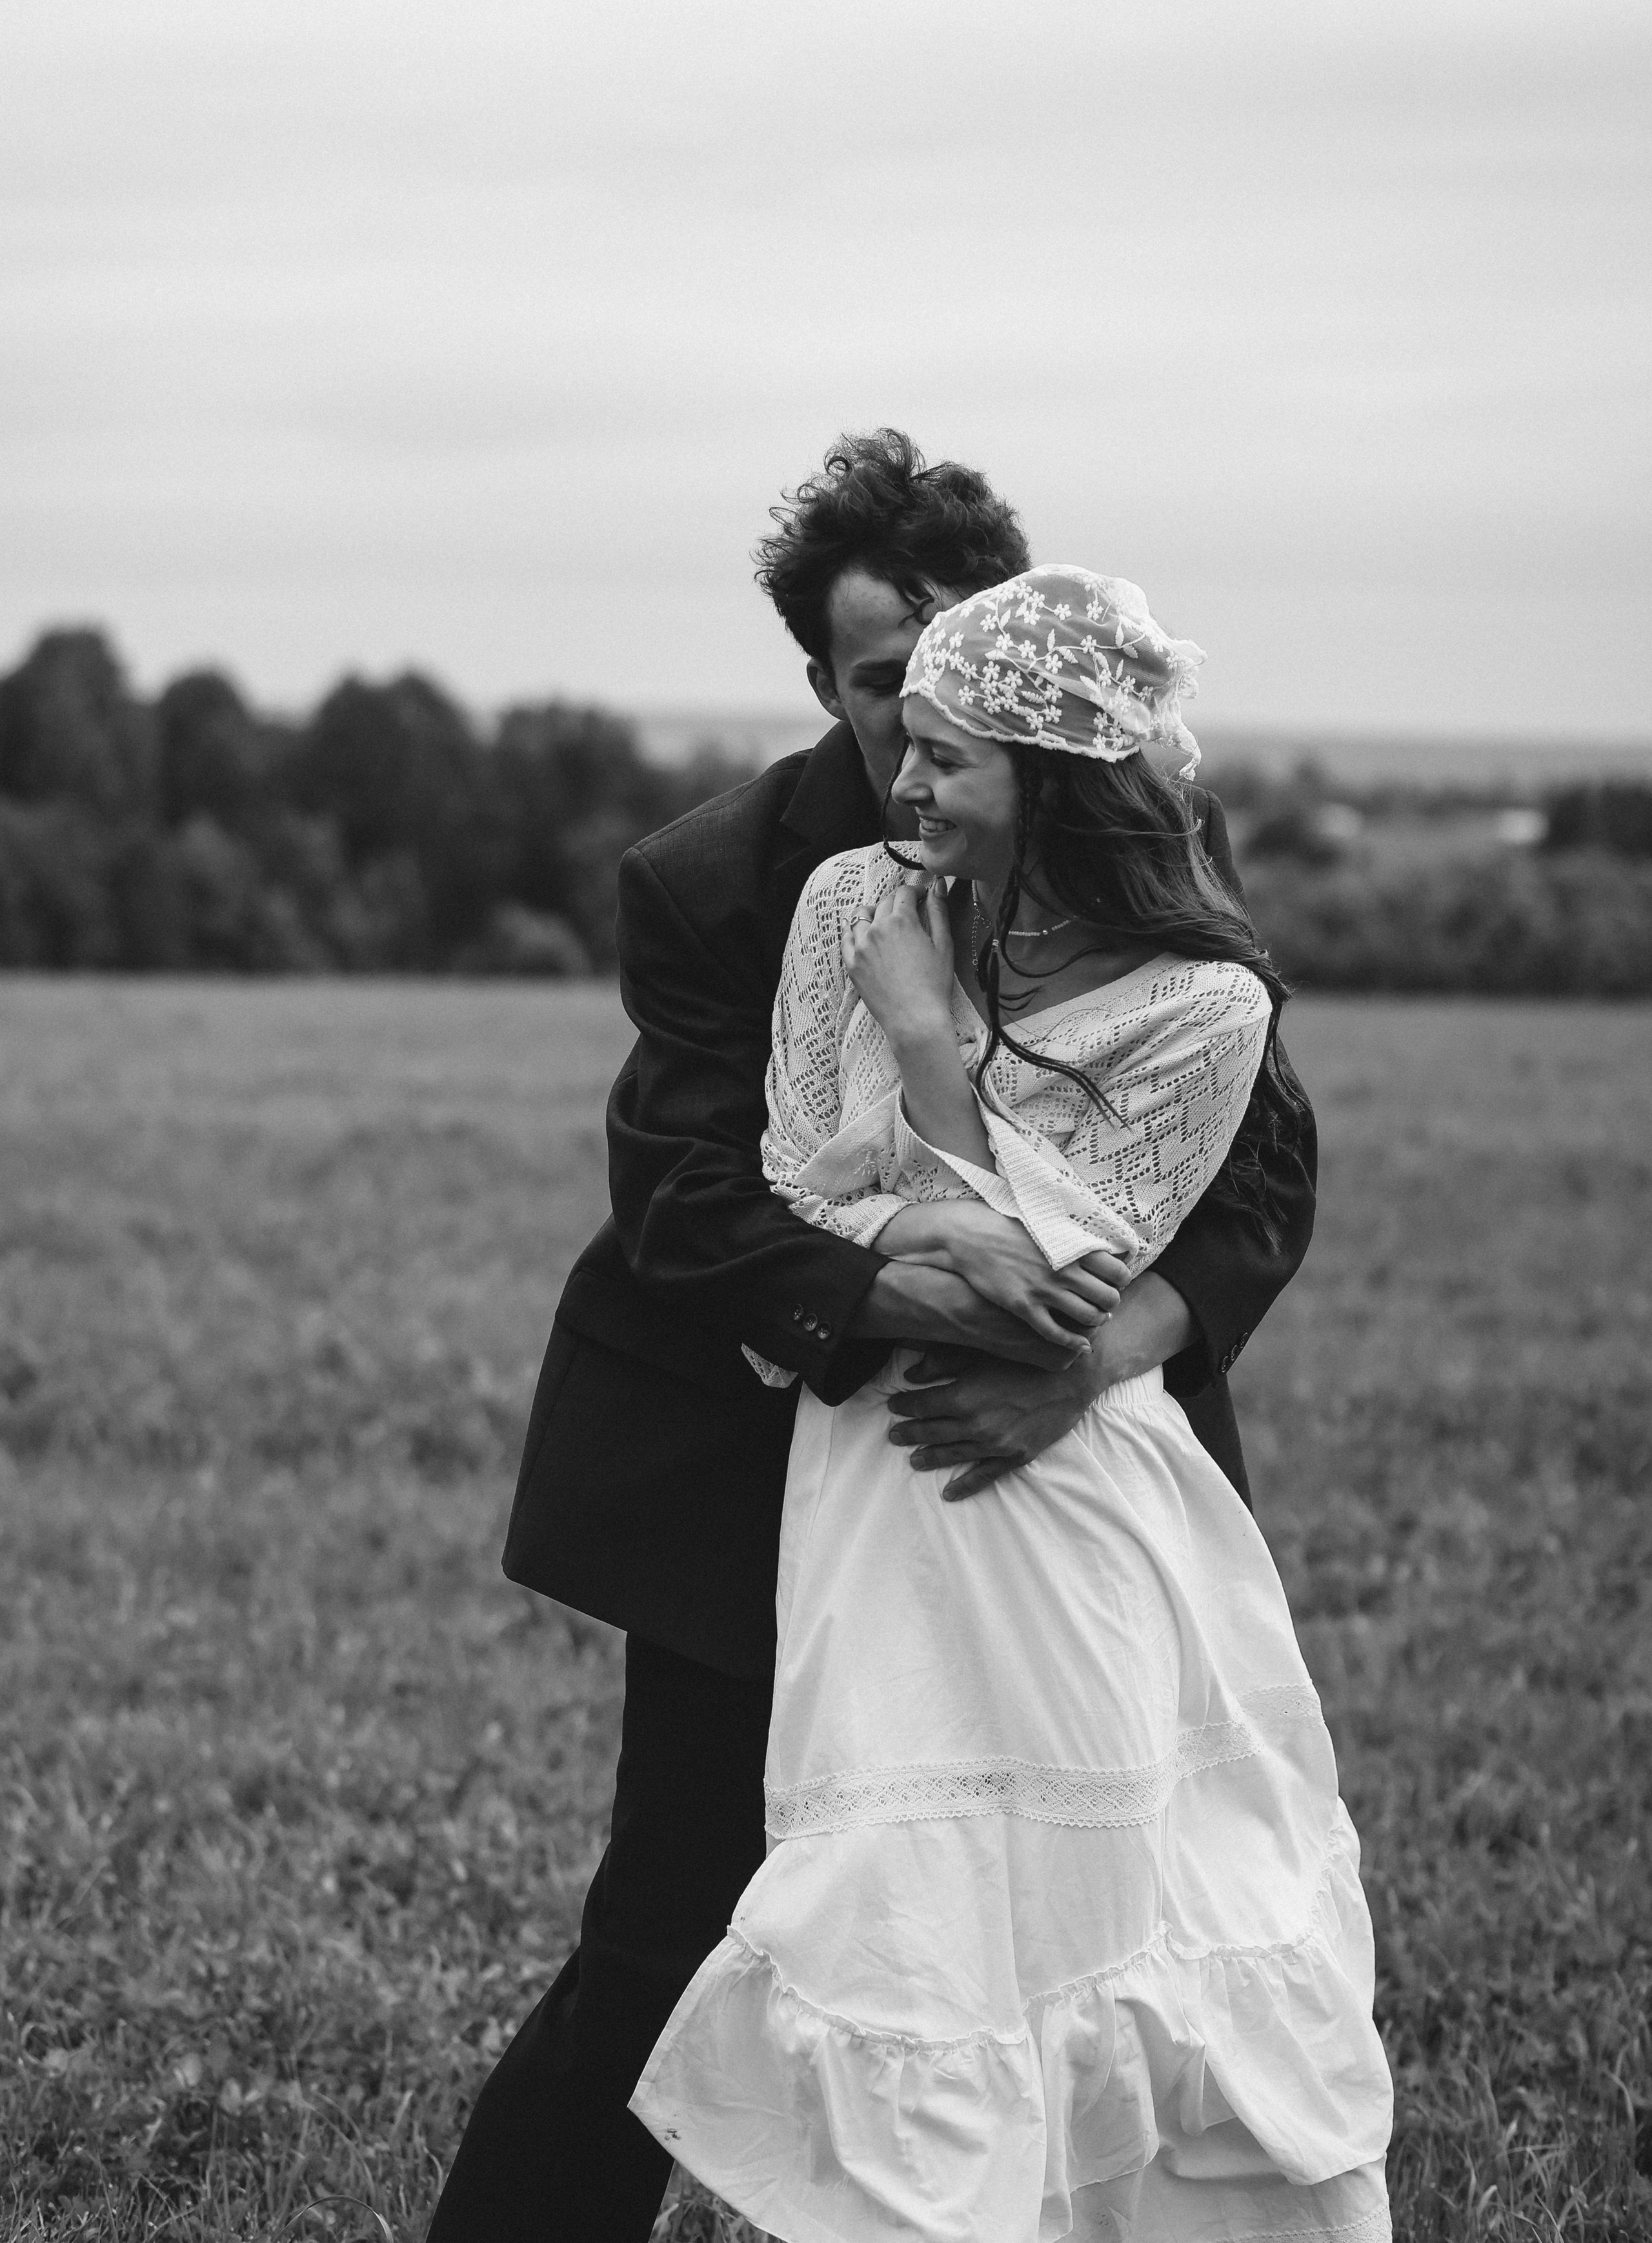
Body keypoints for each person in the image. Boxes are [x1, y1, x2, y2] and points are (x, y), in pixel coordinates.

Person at [425, 436, 1317, 2243]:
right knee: (686, 1917)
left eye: (960, 675)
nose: (925, 723)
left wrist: (1082, 1353)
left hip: (1064, 1442)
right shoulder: (726, 880)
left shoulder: (1136, 821)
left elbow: (1262, 1160)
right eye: (881, 686)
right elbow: (688, 1188)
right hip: (757, 1451)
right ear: (821, 684)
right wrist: (915, 1296)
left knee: (1118, 1905)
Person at [632, 570, 1393, 2240]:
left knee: (1107, 1918)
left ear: (1053, 778)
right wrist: (939, 1215)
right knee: (889, 1914)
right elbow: (785, 1184)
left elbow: (1055, 1283)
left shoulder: (1208, 1004)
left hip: (1065, 1492)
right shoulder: (846, 903)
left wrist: (918, 1061)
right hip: (872, 1485)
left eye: (948, 758)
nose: (902, 782)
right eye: (905, 739)